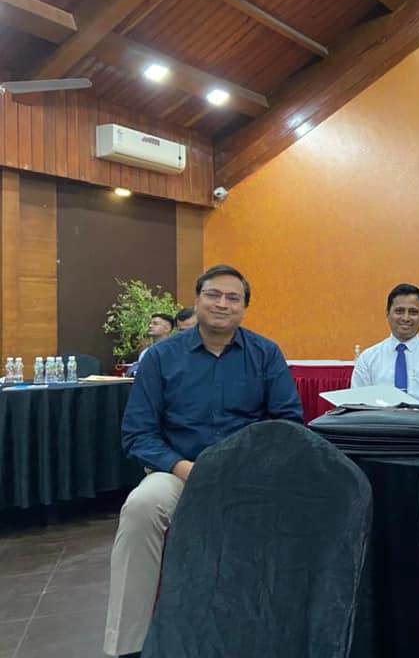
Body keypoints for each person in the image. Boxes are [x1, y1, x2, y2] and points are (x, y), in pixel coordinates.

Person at [104, 265, 303, 657]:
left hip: (248, 474)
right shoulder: (161, 357)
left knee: (300, 507)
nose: (222, 304)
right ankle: (127, 646)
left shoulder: (265, 354)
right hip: (179, 472)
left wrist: (251, 466)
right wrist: (183, 468)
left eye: (233, 298)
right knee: (141, 507)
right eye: (213, 294)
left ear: (244, 307)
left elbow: (288, 424)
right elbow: (138, 434)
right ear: (197, 300)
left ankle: (277, 636)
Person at [351, 283, 419, 404]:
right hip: (380, 416)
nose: (405, 318)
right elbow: (358, 404)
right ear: (387, 313)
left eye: (413, 312)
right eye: (399, 311)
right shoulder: (368, 359)